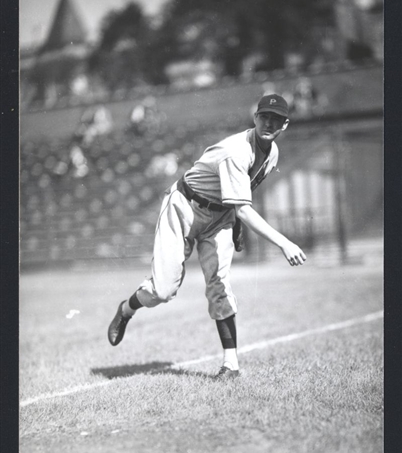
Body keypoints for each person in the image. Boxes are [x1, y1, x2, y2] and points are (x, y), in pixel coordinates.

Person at [108, 94, 306, 379]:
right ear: (255, 117)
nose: (269, 123)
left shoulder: (272, 153)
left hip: (220, 216)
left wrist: (234, 225)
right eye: (265, 117)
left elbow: (242, 196)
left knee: (219, 284)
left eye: (276, 120)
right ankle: (126, 309)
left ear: (284, 125)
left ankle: (230, 366)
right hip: (185, 207)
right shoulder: (236, 151)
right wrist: (284, 243)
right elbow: (245, 209)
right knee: (162, 291)